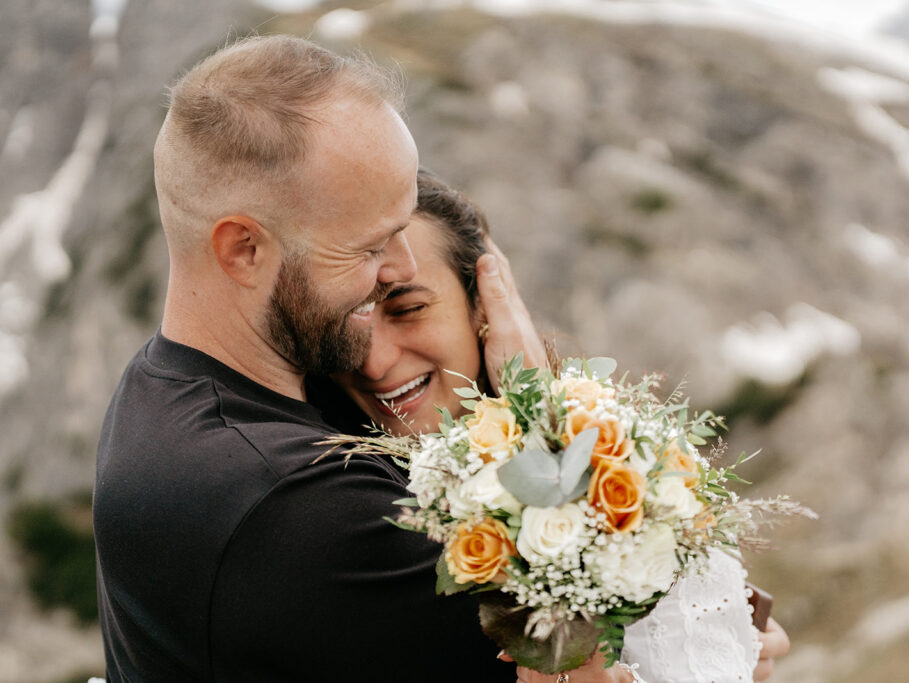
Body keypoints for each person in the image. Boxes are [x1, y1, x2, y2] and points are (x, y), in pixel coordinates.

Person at [93, 35, 627, 683]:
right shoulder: (309, 511)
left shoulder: (158, 384)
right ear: (243, 250)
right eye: (369, 246)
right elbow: (579, 667)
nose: (399, 267)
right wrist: (539, 409)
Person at [328, 168, 792, 682]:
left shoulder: (614, 447)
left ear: (483, 301)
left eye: (409, 309)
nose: (373, 363)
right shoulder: (346, 508)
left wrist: (716, 642)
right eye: (344, 325)